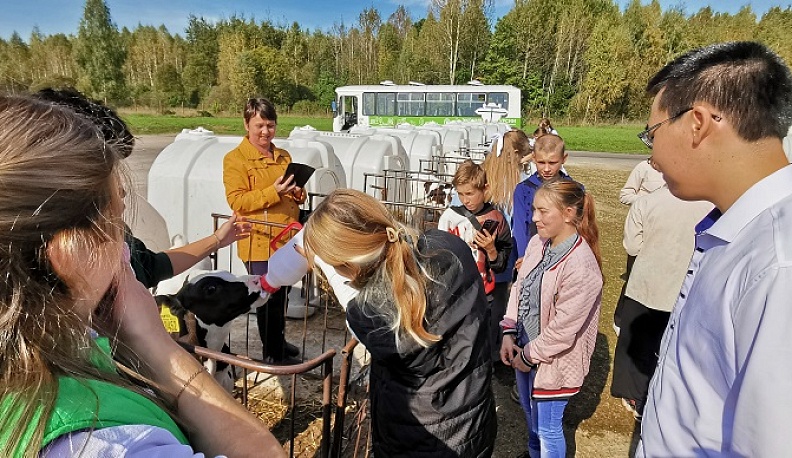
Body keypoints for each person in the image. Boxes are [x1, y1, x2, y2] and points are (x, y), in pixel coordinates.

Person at [0, 95, 284, 457]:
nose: (126, 247)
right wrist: (154, 341)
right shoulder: (108, 443)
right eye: (116, 221)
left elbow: (154, 264)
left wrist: (217, 239)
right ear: (70, 252)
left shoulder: (59, 359)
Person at [637, 41, 792, 456]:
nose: (651, 157)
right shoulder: (738, 231)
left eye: (651, 134)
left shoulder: (779, 264)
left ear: (697, 124)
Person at [302, 189, 497, 457]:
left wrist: (329, 269)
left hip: (418, 439)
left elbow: (363, 306)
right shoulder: (449, 246)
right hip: (473, 420)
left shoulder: (369, 315)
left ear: (349, 265)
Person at [33, 88, 251, 289]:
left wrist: (217, 240)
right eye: (108, 173)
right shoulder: (41, 272)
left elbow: (152, 267)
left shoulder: (117, 239)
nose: (122, 190)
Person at [500, 180, 603, 458]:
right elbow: (520, 287)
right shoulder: (538, 243)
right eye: (534, 210)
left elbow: (563, 331)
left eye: (543, 211)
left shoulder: (581, 267)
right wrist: (509, 331)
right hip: (525, 347)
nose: (534, 218)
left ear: (568, 213)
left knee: (547, 427)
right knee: (530, 415)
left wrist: (528, 356)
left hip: (553, 361)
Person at [610, 186, 711, 420]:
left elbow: (632, 246)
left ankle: (635, 396)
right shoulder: (707, 205)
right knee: (671, 348)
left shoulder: (646, 202)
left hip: (646, 284)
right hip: (684, 286)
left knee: (637, 344)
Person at [223, 97, 305, 365]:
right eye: (259, 125)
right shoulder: (236, 159)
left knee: (283, 293)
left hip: (286, 238)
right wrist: (274, 191)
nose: (265, 132)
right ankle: (273, 355)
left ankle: (278, 341)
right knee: (267, 298)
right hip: (259, 240)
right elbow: (237, 201)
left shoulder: (283, 156)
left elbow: (291, 197)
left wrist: (297, 193)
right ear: (246, 124)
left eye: (270, 125)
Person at [482, 130, 531, 362]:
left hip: (477, 256)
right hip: (503, 258)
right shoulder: (520, 185)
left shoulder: (483, 178)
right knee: (498, 304)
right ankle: (494, 350)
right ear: (519, 155)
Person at [512, 134, 574, 268]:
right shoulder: (523, 190)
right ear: (533, 158)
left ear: (564, 159)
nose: (546, 169)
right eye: (541, 162)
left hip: (566, 256)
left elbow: (580, 226)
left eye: (552, 163)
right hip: (533, 255)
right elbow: (520, 227)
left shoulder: (574, 189)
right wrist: (524, 256)